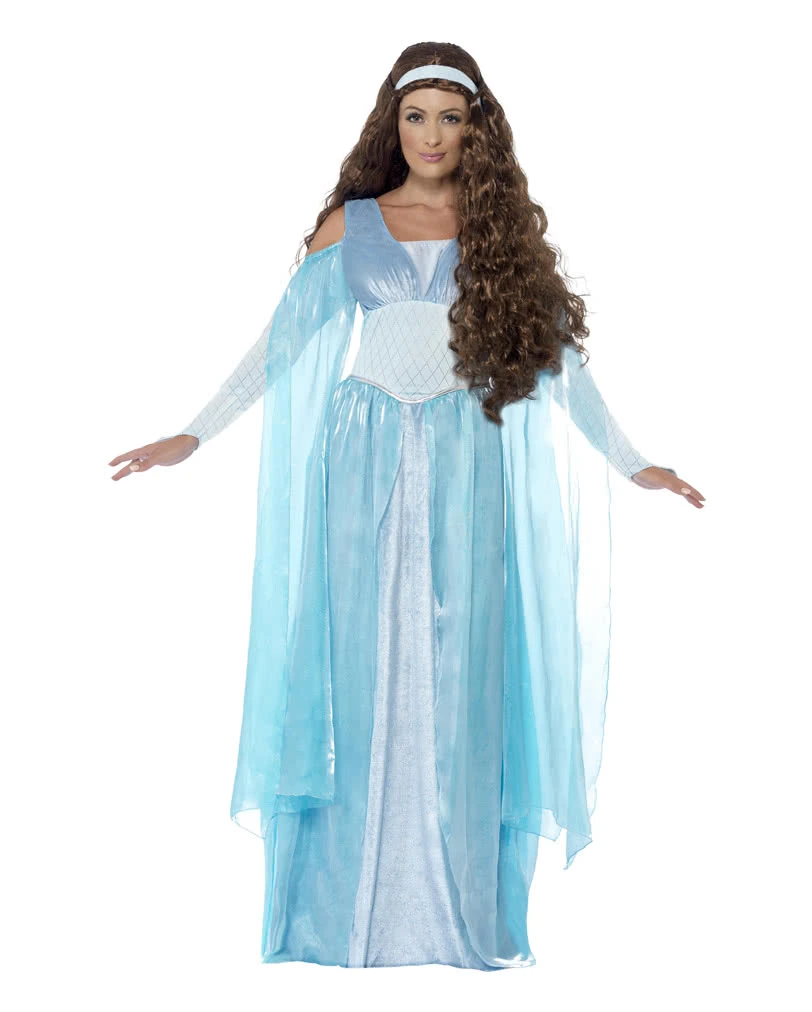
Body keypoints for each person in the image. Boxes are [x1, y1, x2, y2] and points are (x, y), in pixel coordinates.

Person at [108, 43, 705, 971]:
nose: (431, 135)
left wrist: (634, 463)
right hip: (365, 450)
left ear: (476, 131)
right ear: (393, 124)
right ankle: (348, 909)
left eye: (450, 118)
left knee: (464, 669)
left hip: (466, 456)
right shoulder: (352, 226)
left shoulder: (497, 235)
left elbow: (560, 362)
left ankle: (452, 907)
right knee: (358, 661)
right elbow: (280, 347)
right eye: (416, 116)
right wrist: (193, 433)